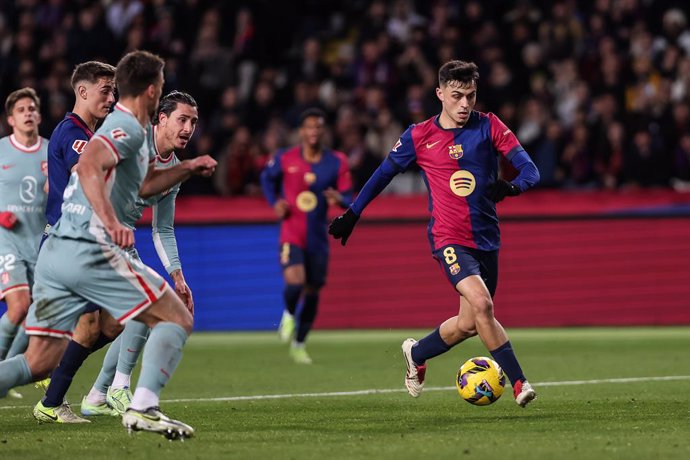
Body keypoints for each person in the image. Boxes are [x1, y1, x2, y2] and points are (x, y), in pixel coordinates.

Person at [0, 50, 216, 440]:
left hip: (58, 250)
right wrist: (112, 220)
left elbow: (142, 186)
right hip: (90, 246)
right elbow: (87, 167)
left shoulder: (122, 129)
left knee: (40, 360)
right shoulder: (127, 126)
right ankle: (136, 403)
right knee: (175, 316)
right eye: (162, 89)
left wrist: (186, 167)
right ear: (152, 91)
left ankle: (72, 399)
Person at [329, 60, 540, 407]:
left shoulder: (490, 126)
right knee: (483, 303)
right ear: (439, 94)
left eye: (470, 96)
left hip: (487, 239)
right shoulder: (419, 135)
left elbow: (531, 170)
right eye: (456, 96)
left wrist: (511, 188)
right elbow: (383, 173)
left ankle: (416, 352)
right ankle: (519, 383)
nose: (464, 104)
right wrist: (353, 213)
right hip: (449, 239)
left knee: (469, 323)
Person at [79, 90, 198, 418]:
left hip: (119, 242)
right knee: (139, 305)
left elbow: (162, 229)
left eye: (193, 122)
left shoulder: (172, 172)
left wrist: (178, 274)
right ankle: (114, 387)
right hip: (86, 232)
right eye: (182, 120)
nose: (188, 128)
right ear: (161, 119)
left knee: (145, 305)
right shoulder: (131, 141)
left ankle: (100, 393)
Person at [29, 61, 118, 419]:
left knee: (116, 323)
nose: (111, 98)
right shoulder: (74, 134)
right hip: (69, 245)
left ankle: (51, 366)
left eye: (114, 91)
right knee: (90, 326)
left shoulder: (89, 133)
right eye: (105, 90)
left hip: (88, 245)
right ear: (82, 91)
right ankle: (51, 403)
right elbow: (92, 176)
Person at [260, 108, 353, 364]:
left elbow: (349, 196)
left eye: (318, 127)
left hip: (318, 238)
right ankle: (289, 314)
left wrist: (340, 199)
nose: (314, 131)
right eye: (309, 127)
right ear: (301, 131)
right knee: (295, 283)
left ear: (324, 131)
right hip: (292, 232)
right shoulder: (285, 157)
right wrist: (275, 202)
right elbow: (266, 179)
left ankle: (299, 344)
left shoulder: (336, 161)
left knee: (313, 292)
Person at [0, 88, 48, 400]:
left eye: (32, 108)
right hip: (8, 244)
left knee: (33, 312)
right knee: (18, 307)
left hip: (42, 246)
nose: (28, 113)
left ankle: (4, 376)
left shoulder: (50, 152)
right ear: (11, 119)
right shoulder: (2, 150)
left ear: (39, 116)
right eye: (22, 109)